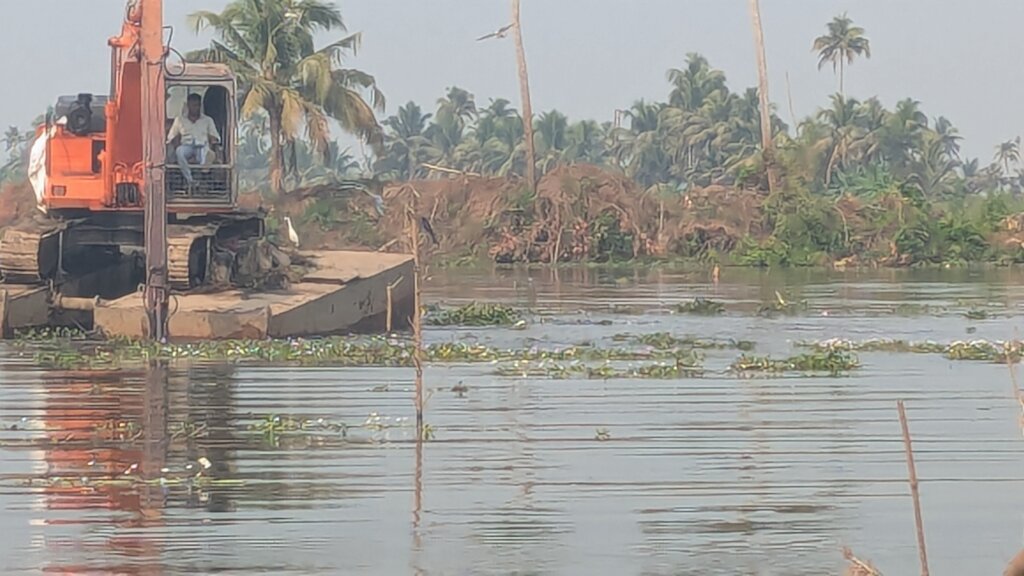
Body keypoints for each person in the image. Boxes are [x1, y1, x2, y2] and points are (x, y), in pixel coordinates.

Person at [166, 93, 220, 189]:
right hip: (187, 146)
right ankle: (190, 180)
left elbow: (215, 137)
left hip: (202, 146)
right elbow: (171, 137)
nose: (196, 108)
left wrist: (213, 139)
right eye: (193, 105)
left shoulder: (208, 120)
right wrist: (175, 141)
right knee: (179, 152)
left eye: (198, 105)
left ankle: (203, 172)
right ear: (188, 106)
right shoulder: (179, 120)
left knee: (207, 153)